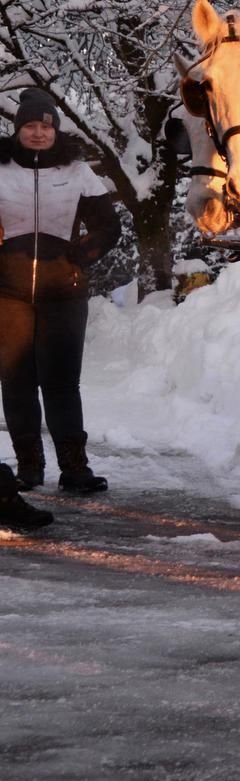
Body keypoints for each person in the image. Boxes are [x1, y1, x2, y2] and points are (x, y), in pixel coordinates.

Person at [0, 88, 119, 495]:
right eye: (30, 126)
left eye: (44, 126)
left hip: (64, 294)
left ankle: (74, 469)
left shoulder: (78, 172)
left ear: (55, 130)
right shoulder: (0, 170)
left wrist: (80, 256)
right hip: (8, 295)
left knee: (62, 383)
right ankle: (29, 467)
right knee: (16, 381)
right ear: (17, 130)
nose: (37, 133)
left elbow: (109, 227)